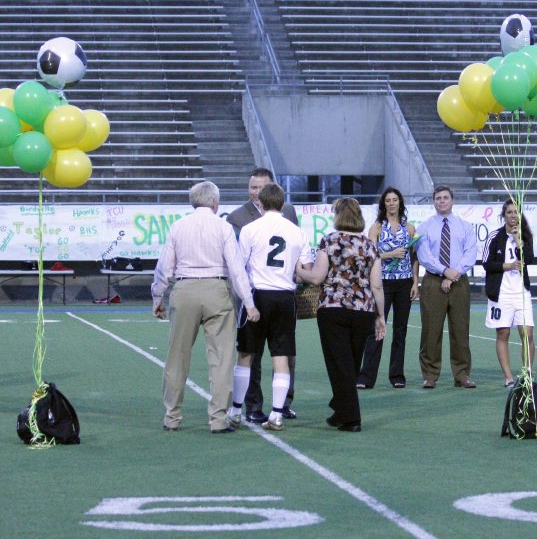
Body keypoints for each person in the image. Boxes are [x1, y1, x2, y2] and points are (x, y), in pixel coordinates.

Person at [152, 181, 260, 433]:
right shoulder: (223, 227)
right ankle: (218, 419)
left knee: (176, 357)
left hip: (185, 289)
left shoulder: (178, 226)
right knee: (221, 359)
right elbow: (236, 268)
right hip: (217, 291)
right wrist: (249, 303)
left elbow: (164, 267)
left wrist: (157, 297)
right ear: (215, 203)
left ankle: (172, 416)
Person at [227, 184, 313, 431]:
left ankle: (235, 411)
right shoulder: (297, 232)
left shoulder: (250, 229)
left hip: (258, 294)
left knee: (246, 353)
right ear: (283, 204)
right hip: (285, 297)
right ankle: (276, 413)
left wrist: (248, 302)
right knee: (281, 356)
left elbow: (240, 267)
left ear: (260, 204)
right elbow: (304, 270)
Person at [295, 198, 386, 432]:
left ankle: (351, 417)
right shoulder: (369, 245)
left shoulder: (331, 241)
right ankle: (340, 408)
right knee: (352, 364)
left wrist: (298, 271)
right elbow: (376, 286)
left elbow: (316, 277)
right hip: (363, 311)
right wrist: (380, 316)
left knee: (339, 364)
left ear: (338, 215)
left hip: (333, 309)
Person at [356, 187, 419, 389]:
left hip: (404, 283)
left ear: (400, 203)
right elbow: (370, 255)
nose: (392, 203)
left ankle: (397, 375)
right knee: (376, 328)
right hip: (382, 284)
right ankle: (366, 377)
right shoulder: (376, 227)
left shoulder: (409, 228)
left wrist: (415, 281)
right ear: (384, 204)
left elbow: (414, 257)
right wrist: (391, 254)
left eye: (395, 200)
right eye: (388, 200)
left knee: (400, 330)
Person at [416, 185, 478, 389]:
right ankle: (430, 375)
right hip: (433, 281)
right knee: (431, 331)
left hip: (459, 282)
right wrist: (444, 271)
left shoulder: (465, 226)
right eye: (438, 198)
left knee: (460, 330)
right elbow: (424, 255)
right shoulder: (424, 227)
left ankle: (462, 375)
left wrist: (453, 275)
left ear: (452, 200)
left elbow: (470, 254)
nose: (442, 201)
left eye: (445, 198)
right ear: (433, 201)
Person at [482, 198, 536, 388]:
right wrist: (507, 266)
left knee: (527, 333)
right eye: (510, 212)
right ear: (503, 215)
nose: (513, 216)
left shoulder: (526, 236)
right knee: (503, 333)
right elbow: (487, 264)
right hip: (501, 293)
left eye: (516, 212)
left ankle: (527, 374)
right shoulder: (494, 236)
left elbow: (529, 259)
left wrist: (518, 240)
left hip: (521, 293)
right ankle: (508, 377)